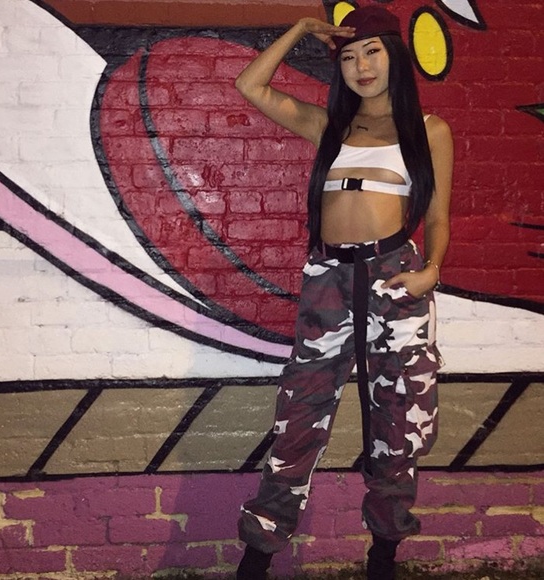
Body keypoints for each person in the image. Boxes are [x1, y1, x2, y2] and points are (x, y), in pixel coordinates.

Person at [234, 4, 453, 579]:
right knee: (299, 415)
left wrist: (431, 270)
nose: (362, 67)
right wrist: (302, 30)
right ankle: (258, 554)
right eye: (349, 57)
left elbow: (438, 217)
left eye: (372, 52)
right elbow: (250, 86)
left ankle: (384, 552)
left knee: (399, 420)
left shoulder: (428, 131)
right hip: (328, 280)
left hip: (395, 279)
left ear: (394, 56)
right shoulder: (329, 127)